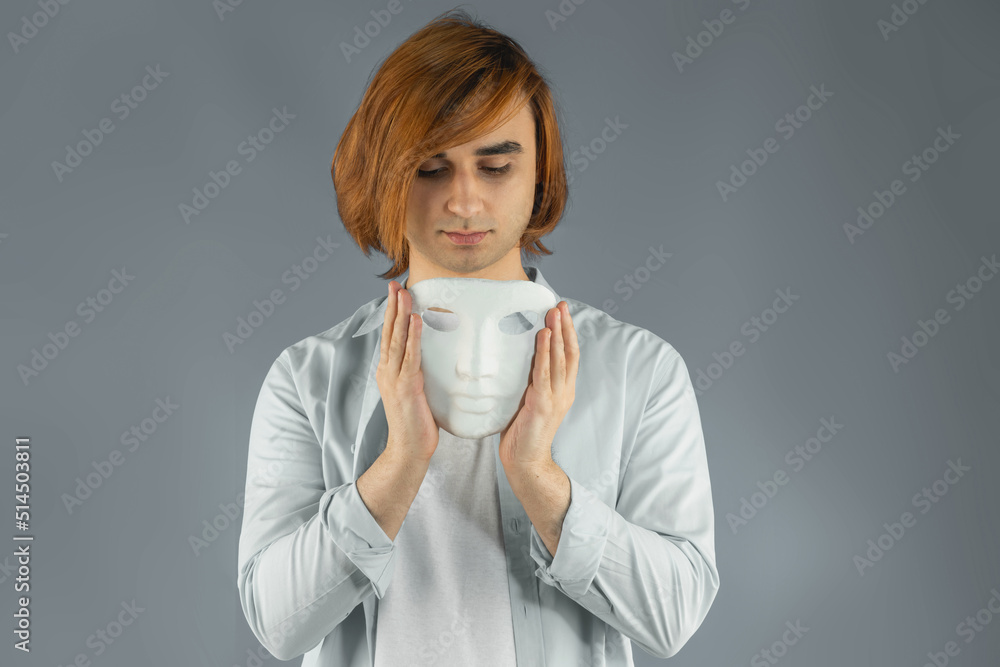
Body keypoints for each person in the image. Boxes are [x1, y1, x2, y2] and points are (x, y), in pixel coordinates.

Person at [237, 8, 719, 666]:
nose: (464, 202)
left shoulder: (640, 371)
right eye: (431, 169)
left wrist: (540, 479)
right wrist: (398, 465)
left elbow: (674, 614)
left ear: (539, 176)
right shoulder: (309, 378)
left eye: (495, 168)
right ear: (385, 177)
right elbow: (277, 622)